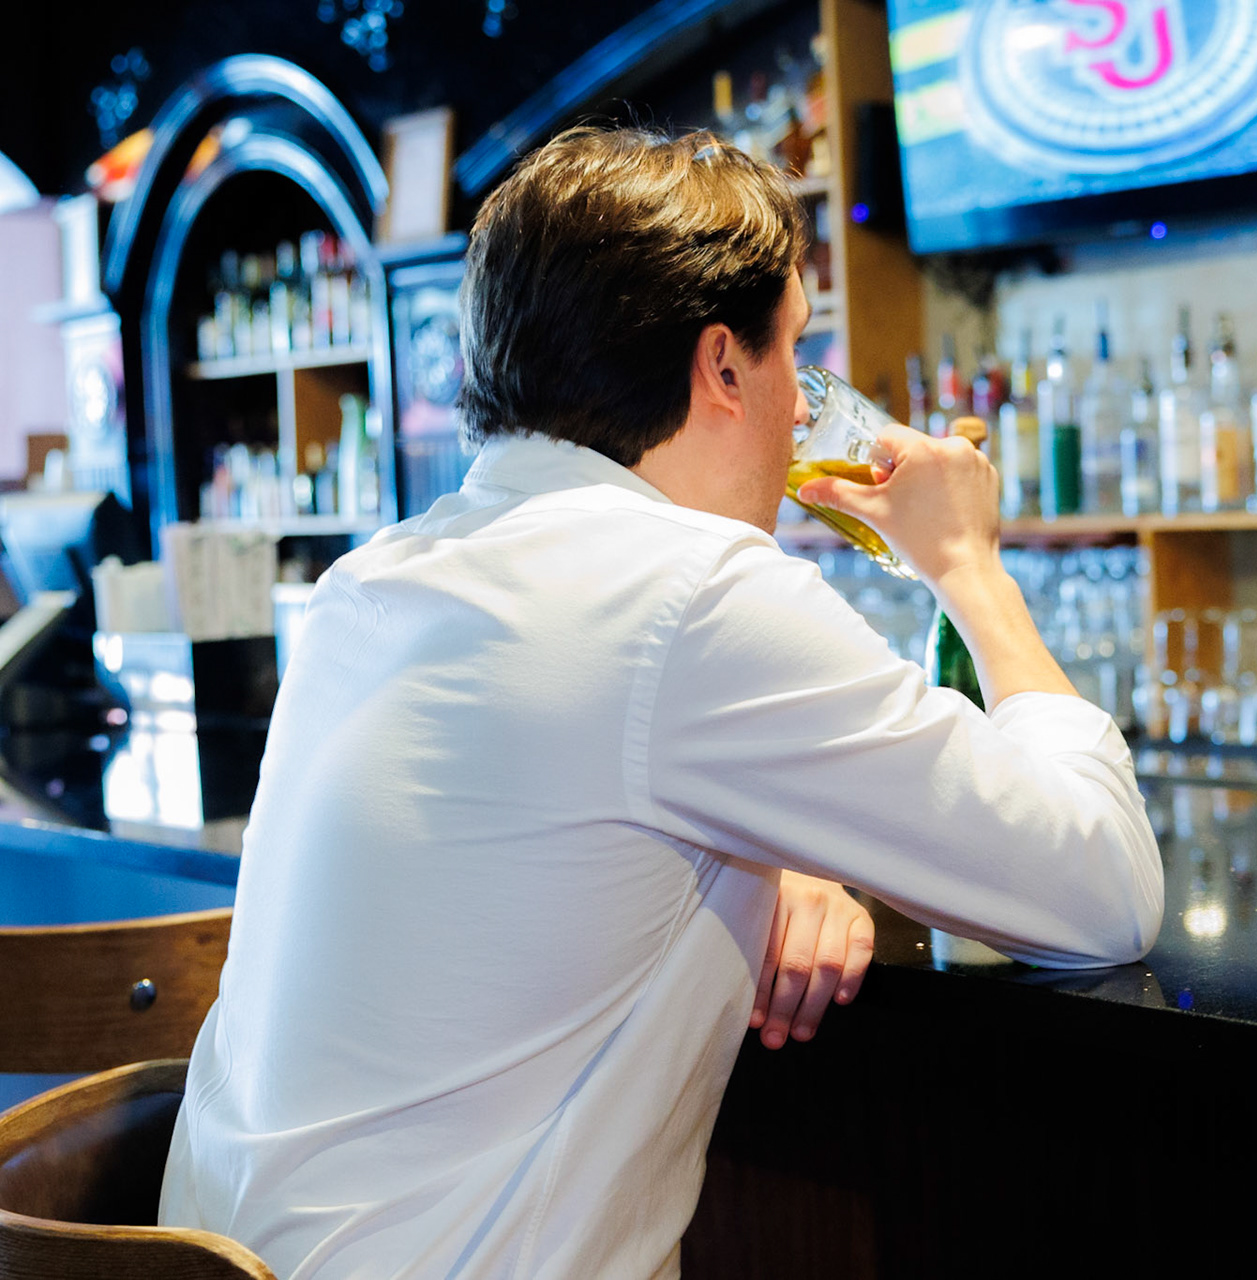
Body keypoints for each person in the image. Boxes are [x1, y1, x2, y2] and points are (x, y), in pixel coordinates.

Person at [158, 127, 1162, 1279]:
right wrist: (969, 563)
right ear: (724, 366)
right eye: (797, 351)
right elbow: (1101, 890)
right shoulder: (694, 595)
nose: (802, 409)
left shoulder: (368, 582)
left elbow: (563, 823)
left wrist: (778, 846)